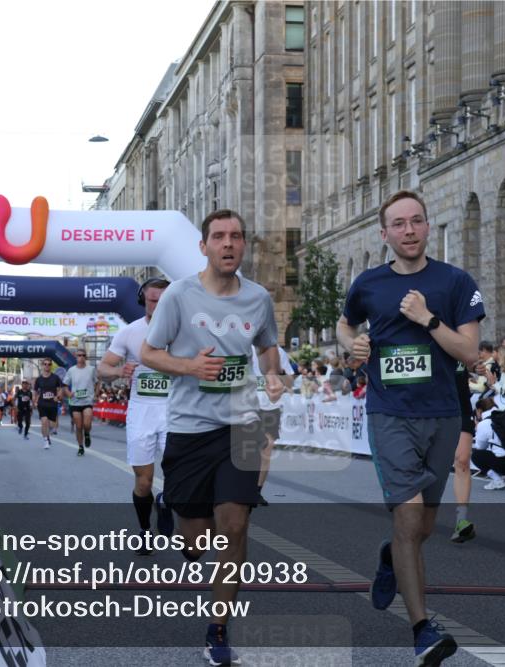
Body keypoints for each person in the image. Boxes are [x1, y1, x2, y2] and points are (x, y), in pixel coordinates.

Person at [336, 190, 483, 665]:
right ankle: (422, 628)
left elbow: (469, 353)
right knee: (408, 516)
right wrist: (354, 342)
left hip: (442, 413)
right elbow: (344, 325)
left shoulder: (455, 281)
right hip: (389, 413)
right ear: (385, 234)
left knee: (420, 527)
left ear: (426, 225)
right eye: (398, 224)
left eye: (416, 221)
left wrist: (428, 319)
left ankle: (390, 556)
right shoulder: (369, 284)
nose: (409, 231)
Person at [141, 209, 284, 666]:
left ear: (243, 246)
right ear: (203, 246)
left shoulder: (259, 298)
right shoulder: (180, 296)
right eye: (219, 237)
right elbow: (149, 352)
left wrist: (274, 375)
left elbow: (266, 346)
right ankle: (174, 507)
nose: (228, 244)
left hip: (240, 424)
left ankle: (217, 629)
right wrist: (189, 366)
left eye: (236, 237)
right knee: (196, 542)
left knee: (236, 525)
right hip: (189, 428)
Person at [99, 277, 172, 552]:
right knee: (143, 480)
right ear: (144, 300)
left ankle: (166, 499)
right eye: (152, 299)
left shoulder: (183, 330)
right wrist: (119, 371)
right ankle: (144, 530)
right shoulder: (130, 332)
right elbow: (103, 368)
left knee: (178, 469)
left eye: (163, 299)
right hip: (141, 412)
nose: (157, 304)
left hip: (175, 411)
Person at [251, 343, 296, 502]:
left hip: (271, 407)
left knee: (267, 448)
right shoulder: (243, 348)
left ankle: (257, 491)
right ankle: (244, 486)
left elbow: (290, 379)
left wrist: (281, 379)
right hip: (249, 405)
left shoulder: (278, 352)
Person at [450, 361, 477, 543]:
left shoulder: (462, 336)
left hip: (461, 409)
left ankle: (461, 520)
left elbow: (472, 359)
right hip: (430, 410)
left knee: (462, 461)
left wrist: (475, 367)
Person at [470, 397, 505, 489]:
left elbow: (480, 446)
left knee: (476, 455)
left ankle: (498, 480)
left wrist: (478, 428)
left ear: (479, 410)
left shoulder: (484, 423)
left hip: (504, 464)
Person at [64, 350, 96, 456]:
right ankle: (81, 447)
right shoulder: (71, 370)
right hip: (75, 402)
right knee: (78, 426)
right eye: (79, 355)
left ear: (85, 357)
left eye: (83, 355)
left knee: (87, 423)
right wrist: (68, 393)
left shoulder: (91, 369)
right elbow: (65, 385)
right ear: (75, 357)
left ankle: (87, 433)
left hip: (87, 401)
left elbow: (98, 381)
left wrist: (96, 393)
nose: (81, 357)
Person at [34, 359, 64, 450]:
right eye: (45, 364)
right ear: (43, 365)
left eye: (49, 364)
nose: (47, 366)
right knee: (44, 422)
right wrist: (35, 401)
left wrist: (58, 396)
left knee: (51, 425)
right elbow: (35, 391)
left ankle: (48, 434)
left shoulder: (56, 378)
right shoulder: (39, 379)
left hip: (52, 404)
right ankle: (45, 441)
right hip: (42, 404)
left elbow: (60, 389)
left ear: (51, 366)